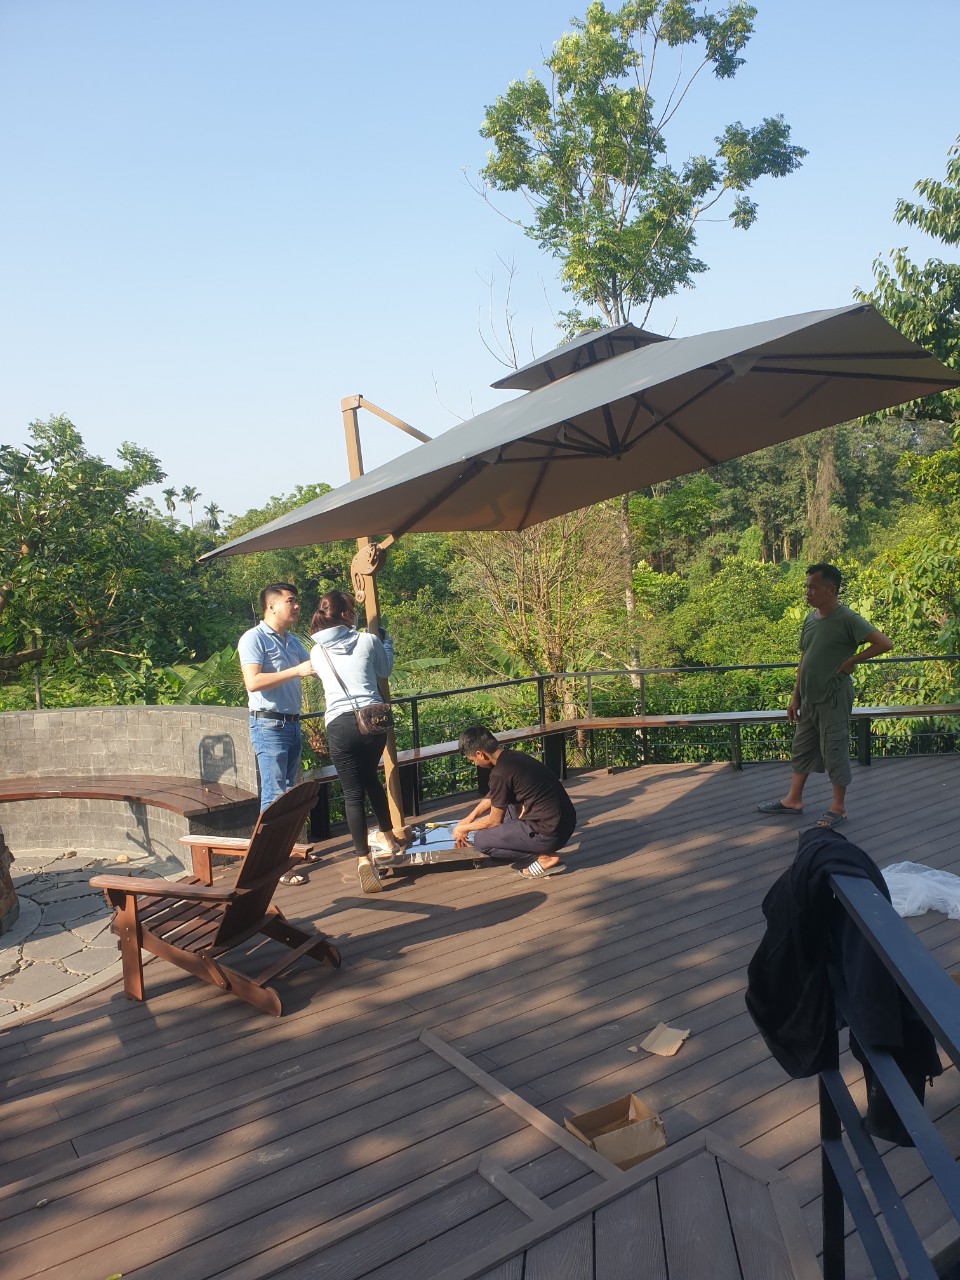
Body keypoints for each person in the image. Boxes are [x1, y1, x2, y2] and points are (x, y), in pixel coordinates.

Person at [757, 563, 892, 828]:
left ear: (831, 590)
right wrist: (795, 697)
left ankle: (838, 807)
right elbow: (804, 658)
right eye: (806, 587)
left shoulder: (848, 618)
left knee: (834, 749)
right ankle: (793, 799)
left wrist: (851, 661)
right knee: (802, 747)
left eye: (813, 587)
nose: (808, 592)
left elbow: (884, 643)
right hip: (809, 697)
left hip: (833, 696)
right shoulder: (810, 619)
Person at [310, 590, 403, 895]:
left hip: (339, 725)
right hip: (373, 721)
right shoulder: (368, 640)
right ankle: (388, 838)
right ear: (346, 615)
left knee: (352, 794)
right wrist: (386, 642)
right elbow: (384, 670)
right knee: (371, 780)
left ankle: (364, 860)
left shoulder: (316, 652)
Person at [452, 723, 577, 878]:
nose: (475, 764)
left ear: (480, 754)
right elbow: (495, 794)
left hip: (548, 834)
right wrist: (470, 817)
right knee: (508, 809)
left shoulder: (499, 773)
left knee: (480, 841)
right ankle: (527, 840)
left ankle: (545, 857)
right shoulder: (514, 757)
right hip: (566, 822)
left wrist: (464, 829)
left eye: (472, 760)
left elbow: (494, 821)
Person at [238, 583, 315, 814]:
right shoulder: (254, 638)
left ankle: (287, 838)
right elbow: (253, 681)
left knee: (289, 794)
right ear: (271, 606)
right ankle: (267, 839)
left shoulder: (292, 641)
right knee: (274, 796)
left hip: (292, 724)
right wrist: (296, 671)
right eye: (291, 601)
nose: (297, 606)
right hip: (269, 726)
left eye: (297, 601)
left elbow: (316, 668)